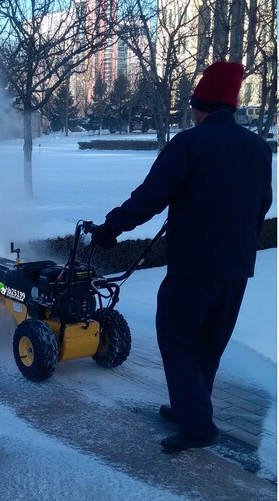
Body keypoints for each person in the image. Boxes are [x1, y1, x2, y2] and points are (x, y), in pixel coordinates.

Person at [91, 61, 273, 453]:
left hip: (194, 265)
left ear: (200, 105)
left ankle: (197, 426)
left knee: (176, 339)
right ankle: (191, 408)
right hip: (237, 268)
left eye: (192, 104)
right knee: (209, 344)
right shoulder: (258, 147)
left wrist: (110, 229)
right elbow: (262, 204)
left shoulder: (190, 143)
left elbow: (151, 196)